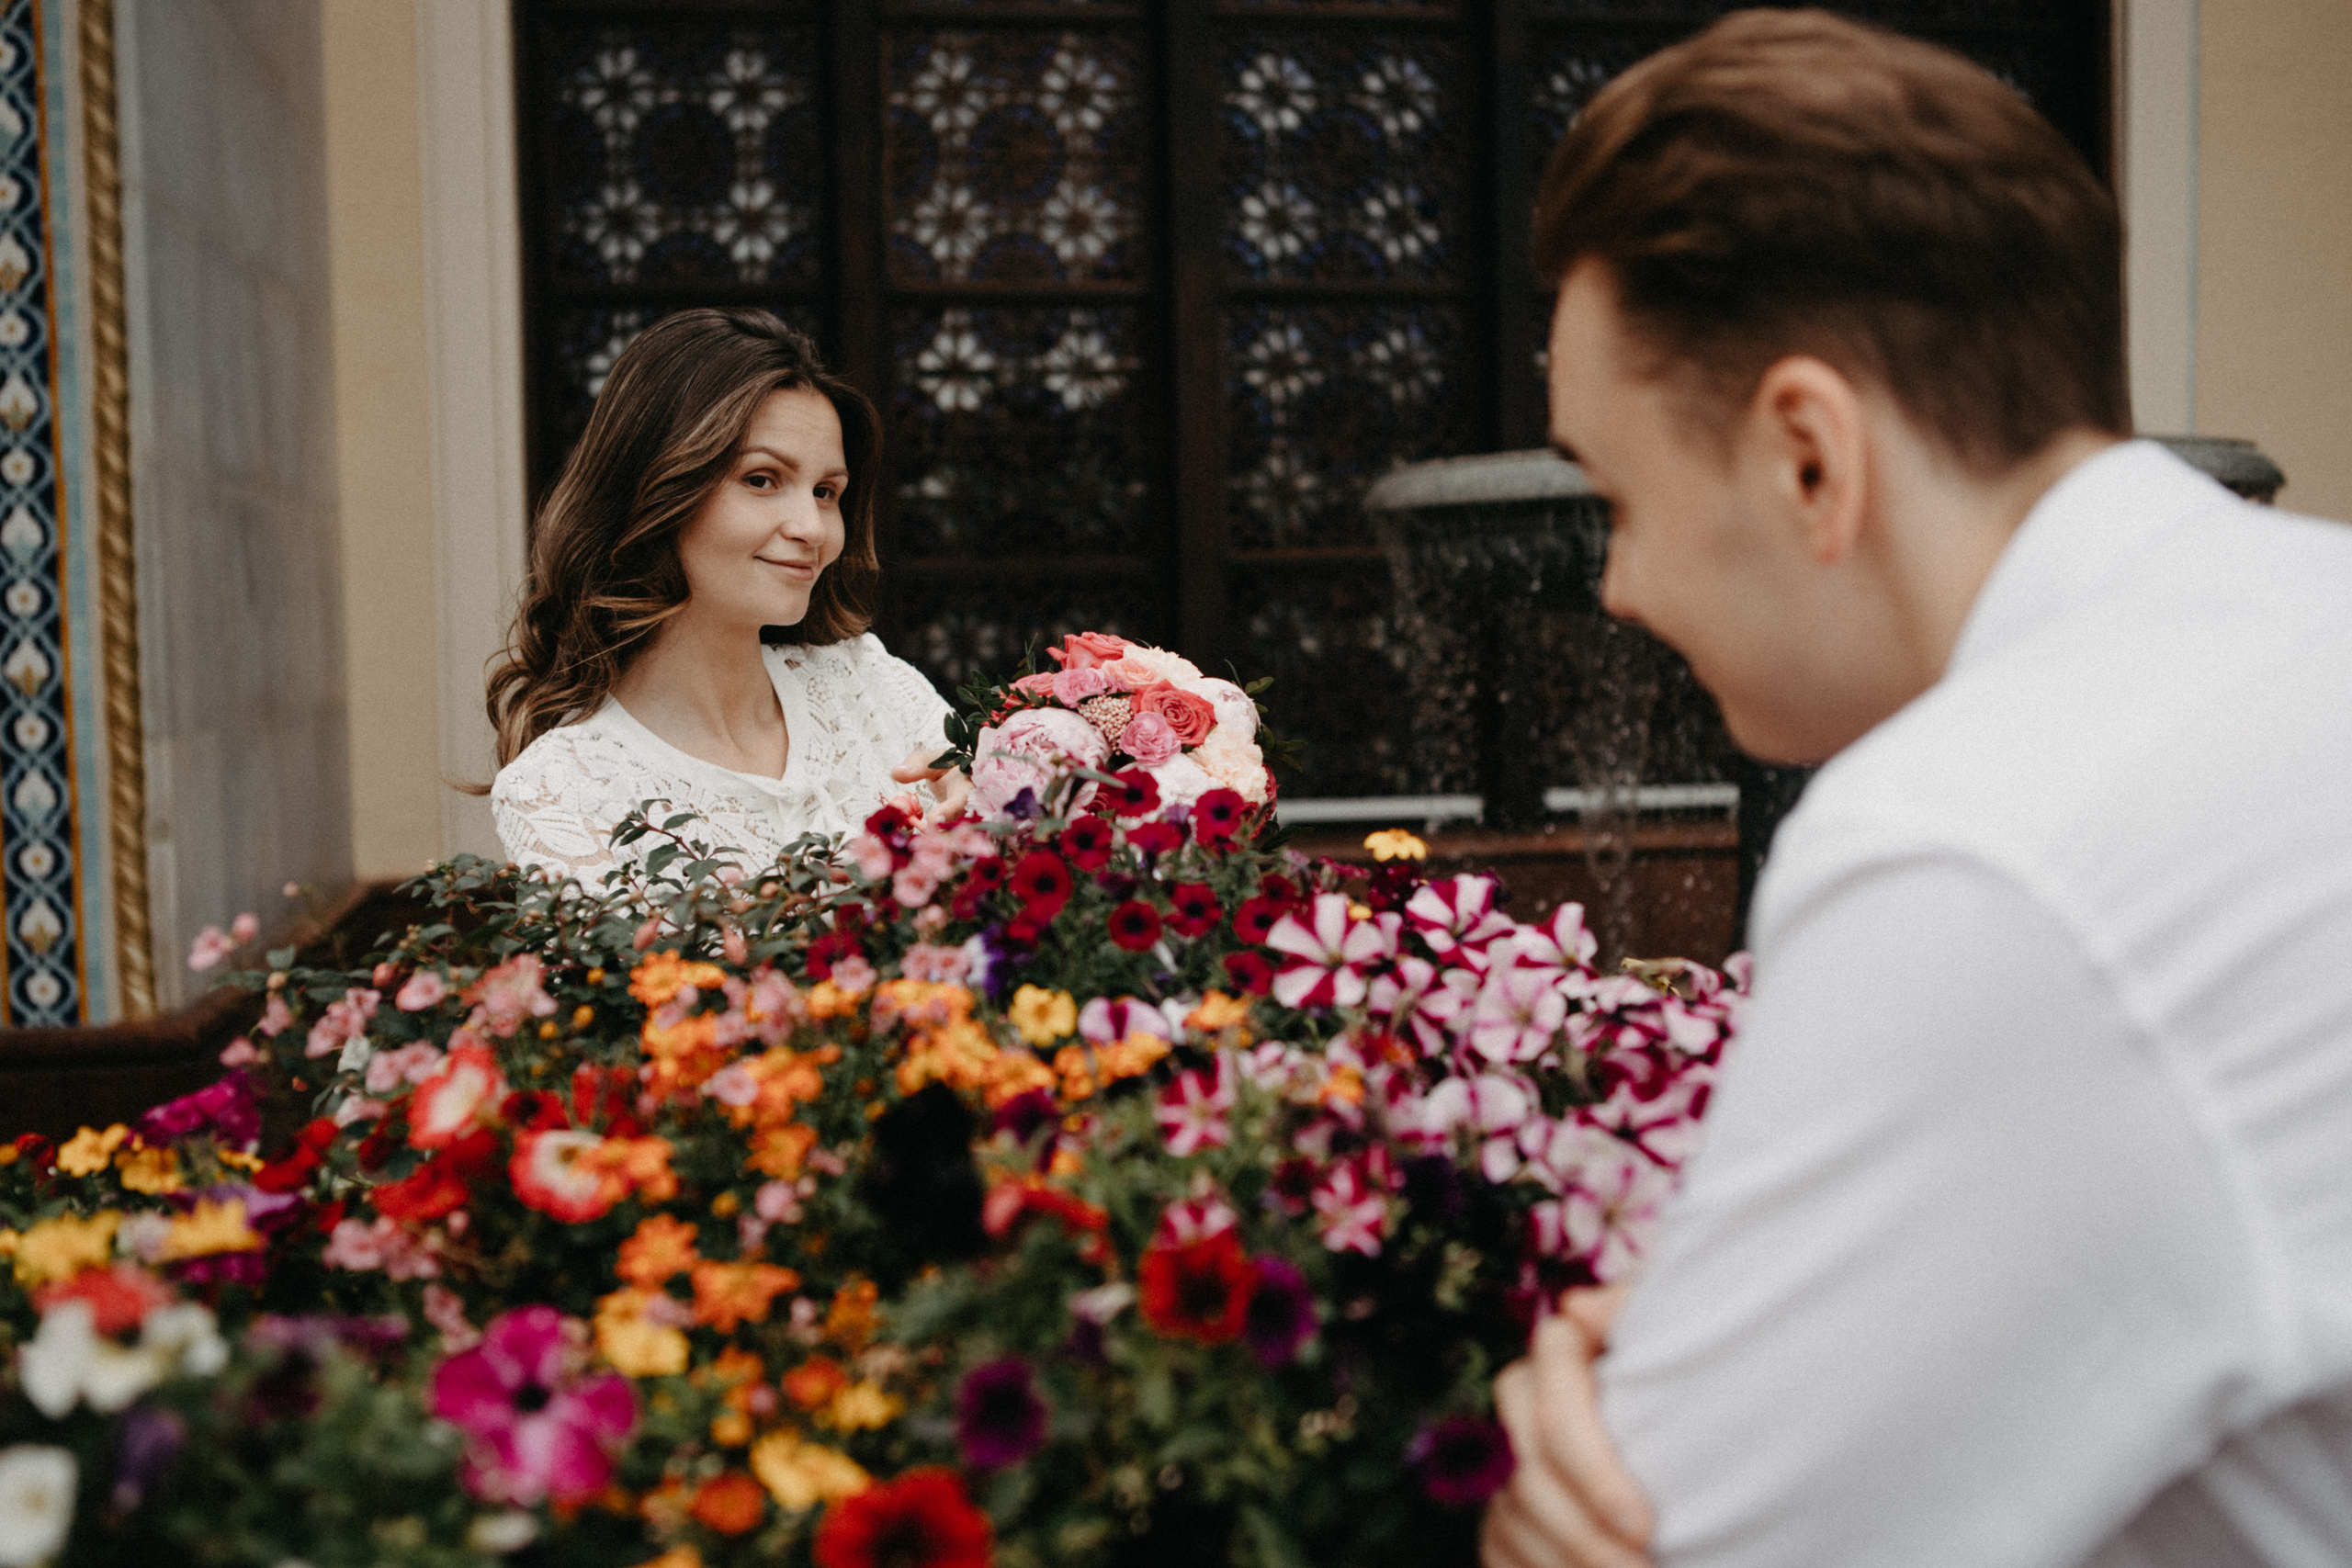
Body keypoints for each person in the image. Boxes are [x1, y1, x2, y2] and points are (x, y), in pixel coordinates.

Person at [1481, 11, 2352, 1568]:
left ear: (1810, 455)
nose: (1611, 586)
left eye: (1616, 498)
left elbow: (1675, 1534)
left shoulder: (1980, 844)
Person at [486, 309, 965, 882]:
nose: (811, 528)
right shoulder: (563, 789)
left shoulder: (872, 688)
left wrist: (986, 825)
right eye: (761, 479)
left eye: (826, 491)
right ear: (655, 488)